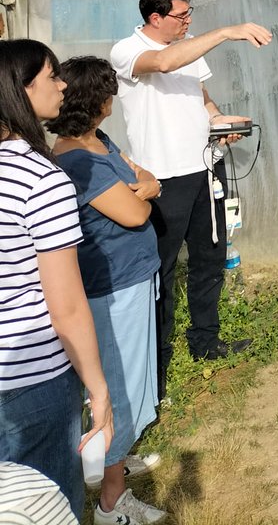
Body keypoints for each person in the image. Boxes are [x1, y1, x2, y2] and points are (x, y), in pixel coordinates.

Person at [109, 0, 272, 397]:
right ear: (155, 17)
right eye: (181, 15)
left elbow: (199, 96)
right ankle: (155, 363)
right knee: (160, 270)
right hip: (162, 178)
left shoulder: (189, 45)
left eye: (190, 13)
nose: (189, 21)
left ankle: (205, 340)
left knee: (209, 257)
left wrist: (221, 123)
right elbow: (163, 65)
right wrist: (226, 32)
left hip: (205, 167)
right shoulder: (126, 51)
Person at [0, 39, 113, 519]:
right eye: (51, 76)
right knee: (45, 506)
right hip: (31, 376)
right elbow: (64, 305)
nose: (63, 84)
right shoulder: (39, 178)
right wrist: (99, 389)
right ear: (18, 92)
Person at [49, 56, 164, 525]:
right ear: (95, 101)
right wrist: (139, 191)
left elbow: (147, 180)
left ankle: (109, 460)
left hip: (132, 277)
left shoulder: (97, 141)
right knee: (117, 385)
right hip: (111, 289)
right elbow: (136, 212)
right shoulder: (77, 159)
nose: (114, 99)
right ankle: (112, 502)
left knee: (131, 379)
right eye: (109, 92)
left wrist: (140, 189)